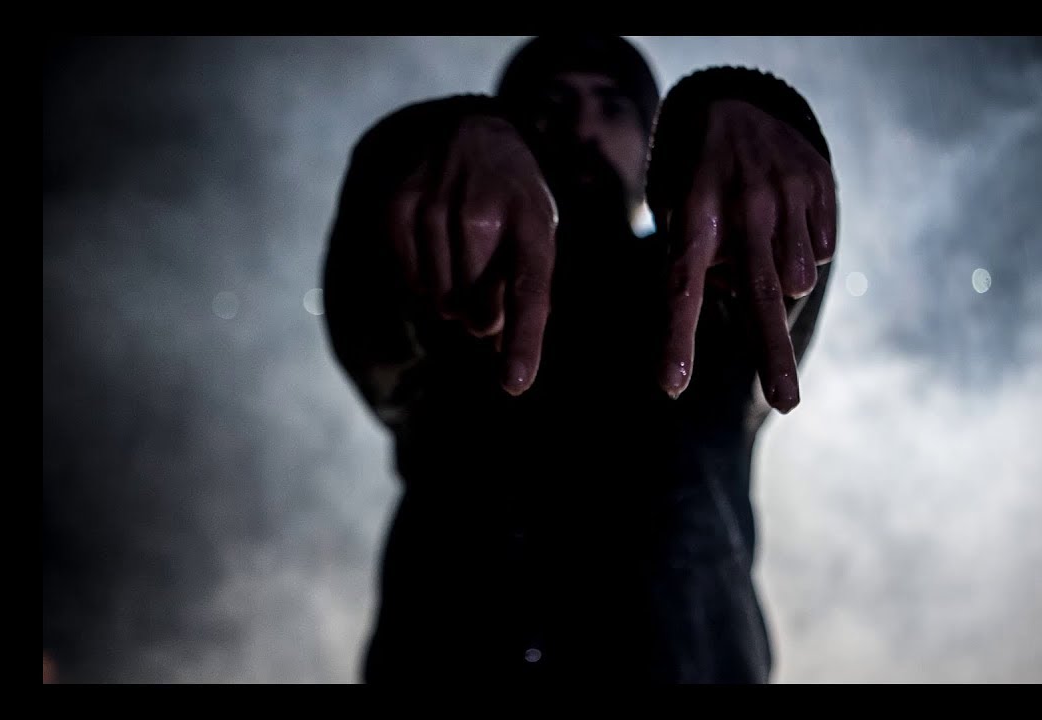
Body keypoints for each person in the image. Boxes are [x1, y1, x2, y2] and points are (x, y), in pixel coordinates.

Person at [322, 34, 837, 684]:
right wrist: (429, 145)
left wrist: (746, 108)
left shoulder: (714, 300)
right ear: (505, 148)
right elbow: (368, 285)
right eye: (550, 107)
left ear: (655, 150)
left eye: (613, 107)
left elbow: (783, 253)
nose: (581, 130)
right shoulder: (442, 304)